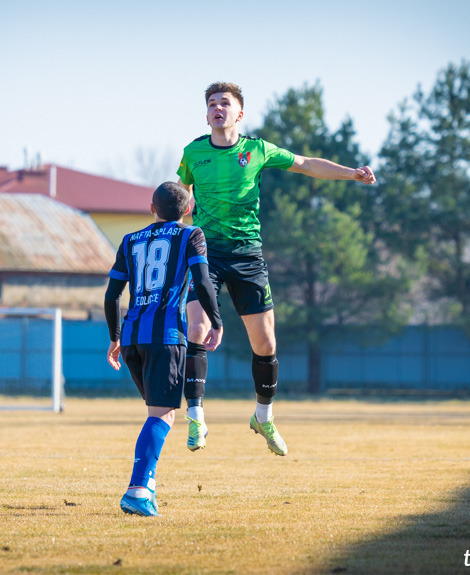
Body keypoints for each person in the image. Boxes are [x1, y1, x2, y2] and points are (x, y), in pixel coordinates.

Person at [177, 82, 377, 456]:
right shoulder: (193, 152)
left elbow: (304, 164)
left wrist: (352, 173)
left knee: (266, 344)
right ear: (206, 115)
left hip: (248, 255)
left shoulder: (257, 149)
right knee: (197, 328)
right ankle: (196, 416)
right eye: (211, 104)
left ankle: (263, 417)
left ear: (239, 113)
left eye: (224, 103)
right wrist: (170, 214)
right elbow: (178, 196)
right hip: (206, 253)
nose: (217, 108)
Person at [105, 181, 223, 517]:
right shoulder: (191, 235)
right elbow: (202, 280)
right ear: (187, 210)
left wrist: (114, 337)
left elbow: (112, 295)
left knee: (160, 413)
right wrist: (216, 321)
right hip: (166, 336)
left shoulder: (129, 240)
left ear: (152, 208)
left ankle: (148, 488)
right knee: (162, 415)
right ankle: (138, 490)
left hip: (131, 339)